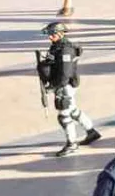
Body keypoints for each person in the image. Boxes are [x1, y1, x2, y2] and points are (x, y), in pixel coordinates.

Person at [36, 22, 100, 157]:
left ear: (60, 34)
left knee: (64, 115)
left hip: (64, 86)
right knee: (73, 111)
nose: (50, 38)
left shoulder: (65, 50)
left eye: (52, 35)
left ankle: (71, 144)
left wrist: (53, 86)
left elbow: (65, 73)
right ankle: (91, 132)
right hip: (61, 84)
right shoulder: (56, 46)